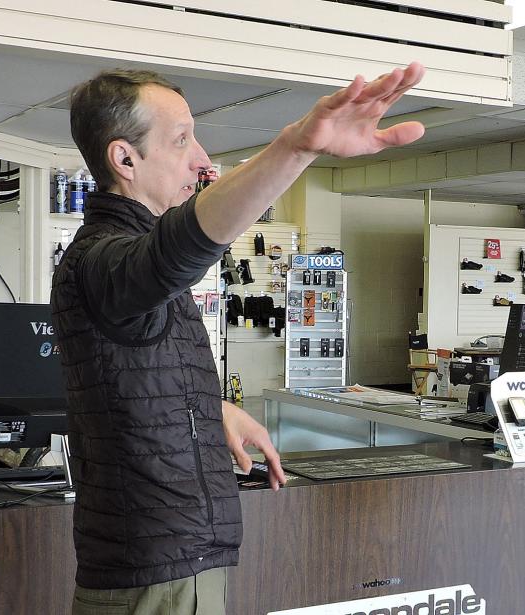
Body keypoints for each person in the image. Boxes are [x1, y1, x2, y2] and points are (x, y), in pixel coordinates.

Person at [51, 63, 425, 614]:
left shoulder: (122, 255)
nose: (201, 160)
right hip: (155, 573)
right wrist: (296, 147)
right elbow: (171, 254)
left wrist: (210, 407)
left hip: (177, 562)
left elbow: (134, 368)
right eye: (181, 141)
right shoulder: (103, 259)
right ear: (124, 159)